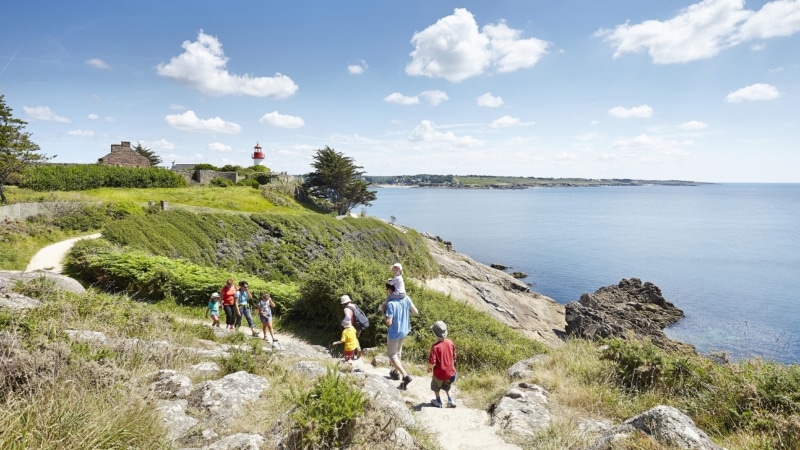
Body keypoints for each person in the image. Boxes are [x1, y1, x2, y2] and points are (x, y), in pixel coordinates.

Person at [384, 286, 419, 390]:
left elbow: (388, 323)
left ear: (390, 290)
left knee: (392, 354)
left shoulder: (391, 304)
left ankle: (405, 375)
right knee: (398, 350)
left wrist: (383, 312)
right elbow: (416, 312)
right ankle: (395, 372)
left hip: (395, 332)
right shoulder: (406, 298)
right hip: (405, 330)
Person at [427, 321, 457, 408]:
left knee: (436, 386)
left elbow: (432, 362)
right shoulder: (450, 342)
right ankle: (451, 400)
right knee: (447, 386)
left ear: (435, 334)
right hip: (450, 372)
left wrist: (429, 368)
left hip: (439, 373)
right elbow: (454, 356)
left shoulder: (435, 347)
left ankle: (438, 401)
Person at [340, 295, 364, 359]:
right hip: (359, 325)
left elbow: (348, 318)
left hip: (352, 326)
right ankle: (358, 351)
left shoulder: (346, 309)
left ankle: (354, 354)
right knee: (355, 339)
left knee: (352, 340)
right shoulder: (354, 305)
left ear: (343, 303)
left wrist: (346, 325)